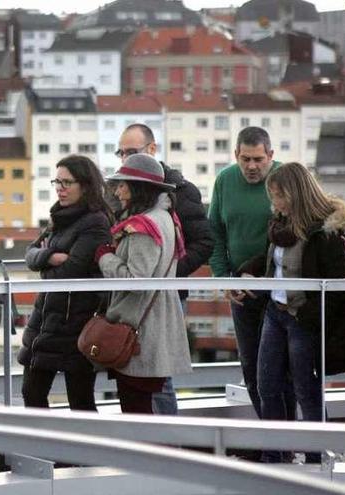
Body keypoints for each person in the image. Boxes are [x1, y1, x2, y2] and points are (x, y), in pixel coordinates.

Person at [244, 162, 345, 463]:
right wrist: (245, 273)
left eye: (278, 195)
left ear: (295, 194)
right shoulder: (279, 226)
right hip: (276, 312)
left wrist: (309, 318)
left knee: (305, 388)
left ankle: (316, 458)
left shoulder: (324, 233)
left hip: (303, 319)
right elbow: (271, 260)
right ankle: (275, 456)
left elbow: (338, 287)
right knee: (267, 385)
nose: (274, 202)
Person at [116, 123, 213, 415]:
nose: (124, 159)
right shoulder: (123, 191)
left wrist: (169, 271)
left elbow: (205, 241)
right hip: (133, 296)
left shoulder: (181, 191)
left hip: (165, 296)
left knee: (159, 372)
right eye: (120, 152)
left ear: (152, 149)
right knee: (134, 370)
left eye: (131, 152)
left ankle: (168, 445)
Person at [208, 126, 295, 426]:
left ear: (271, 155)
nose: (252, 166)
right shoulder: (225, 180)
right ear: (236, 155)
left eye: (259, 159)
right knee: (250, 367)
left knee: (282, 370)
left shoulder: (287, 178)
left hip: (281, 289)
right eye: (245, 159)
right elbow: (215, 234)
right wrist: (224, 278)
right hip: (241, 289)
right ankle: (272, 440)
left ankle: (292, 438)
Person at [96, 154, 192, 413]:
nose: (117, 191)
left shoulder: (143, 226)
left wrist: (105, 258)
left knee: (138, 410)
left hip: (141, 330)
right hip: (154, 326)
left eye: (123, 184)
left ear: (139, 189)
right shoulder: (165, 217)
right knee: (149, 409)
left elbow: (135, 280)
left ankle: (151, 455)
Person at [19, 155, 114, 411]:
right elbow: (30, 254)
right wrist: (50, 256)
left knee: (80, 401)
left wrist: (46, 265)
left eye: (66, 182)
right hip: (47, 320)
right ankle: (46, 450)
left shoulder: (96, 221)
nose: (59, 188)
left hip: (78, 323)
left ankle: (84, 452)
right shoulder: (59, 217)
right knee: (31, 393)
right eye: (56, 181)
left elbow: (71, 272)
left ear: (85, 185)